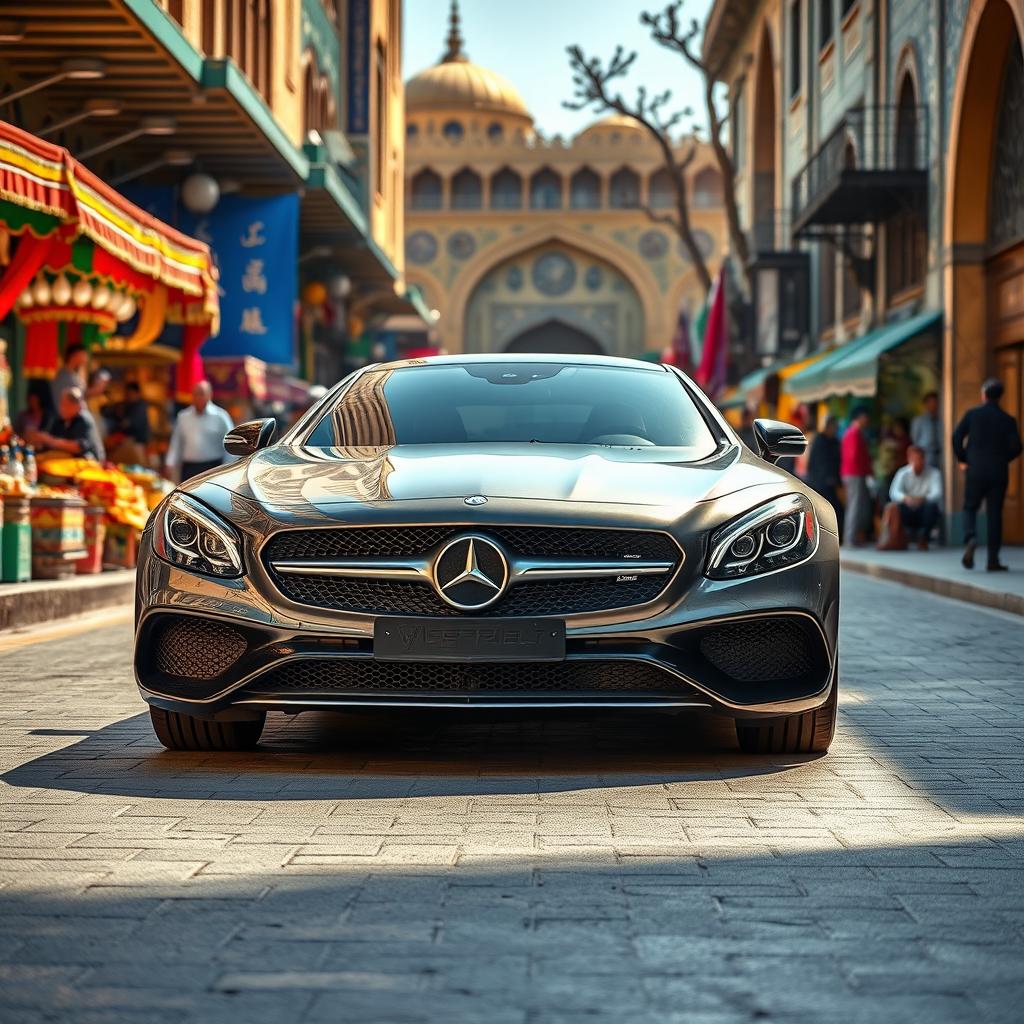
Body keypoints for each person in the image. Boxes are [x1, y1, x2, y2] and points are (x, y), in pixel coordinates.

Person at [952, 378, 1023, 571]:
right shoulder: (1008, 420)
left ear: (983, 394)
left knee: (970, 507)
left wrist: (964, 458)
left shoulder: (973, 415)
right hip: (998, 471)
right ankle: (993, 560)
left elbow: (956, 437)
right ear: (1000, 396)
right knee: (995, 515)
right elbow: (1017, 447)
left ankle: (970, 536)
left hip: (975, 469)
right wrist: (1002, 459)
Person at [165, 380, 234, 482]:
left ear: (209, 395)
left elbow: (231, 443)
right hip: (189, 468)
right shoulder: (183, 417)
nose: (198, 398)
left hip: (213, 467)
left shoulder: (221, 416)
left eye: (201, 394)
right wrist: (170, 462)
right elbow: (176, 442)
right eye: (196, 394)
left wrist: (229, 467)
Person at [889, 445, 943, 550]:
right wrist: (905, 498)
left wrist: (923, 499)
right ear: (909, 460)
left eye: (919, 459)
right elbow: (893, 492)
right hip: (908, 508)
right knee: (894, 507)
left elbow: (937, 493)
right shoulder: (902, 473)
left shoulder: (934, 473)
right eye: (914, 459)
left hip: (924, 508)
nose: (917, 462)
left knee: (932, 507)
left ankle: (924, 539)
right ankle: (898, 539)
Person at [27, 387, 100, 460]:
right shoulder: (61, 421)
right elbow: (51, 441)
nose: (61, 408)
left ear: (75, 405)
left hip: (89, 464)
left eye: (65, 405)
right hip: (67, 463)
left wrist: (47, 440)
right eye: (62, 404)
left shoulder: (84, 420)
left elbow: (78, 447)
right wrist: (38, 441)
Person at [840, 406, 873, 547]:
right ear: (860, 417)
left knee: (855, 505)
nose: (867, 420)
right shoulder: (854, 433)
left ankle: (852, 537)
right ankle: (850, 539)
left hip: (851, 473)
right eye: (866, 417)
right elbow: (854, 456)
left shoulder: (851, 433)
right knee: (854, 506)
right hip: (855, 473)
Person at [807, 416, 843, 535]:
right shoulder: (820, 441)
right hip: (820, 483)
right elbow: (818, 463)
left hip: (830, 483)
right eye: (834, 428)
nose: (835, 430)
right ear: (828, 427)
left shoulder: (833, 441)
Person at [106, 381, 151, 466]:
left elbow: (126, 424)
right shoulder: (128, 405)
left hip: (136, 444)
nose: (127, 396)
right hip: (130, 444)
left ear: (136, 393)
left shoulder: (139, 407)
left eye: (130, 393)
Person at [875, 416, 911, 503]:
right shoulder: (892, 439)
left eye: (897, 427)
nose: (896, 429)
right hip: (889, 472)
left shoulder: (906, 441)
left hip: (901, 470)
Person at [911, 391, 942, 470]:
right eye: (930, 402)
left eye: (935, 402)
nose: (933, 405)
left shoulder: (942, 421)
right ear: (925, 404)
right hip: (926, 455)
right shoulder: (919, 421)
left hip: (940, 456)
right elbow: (915, 440)